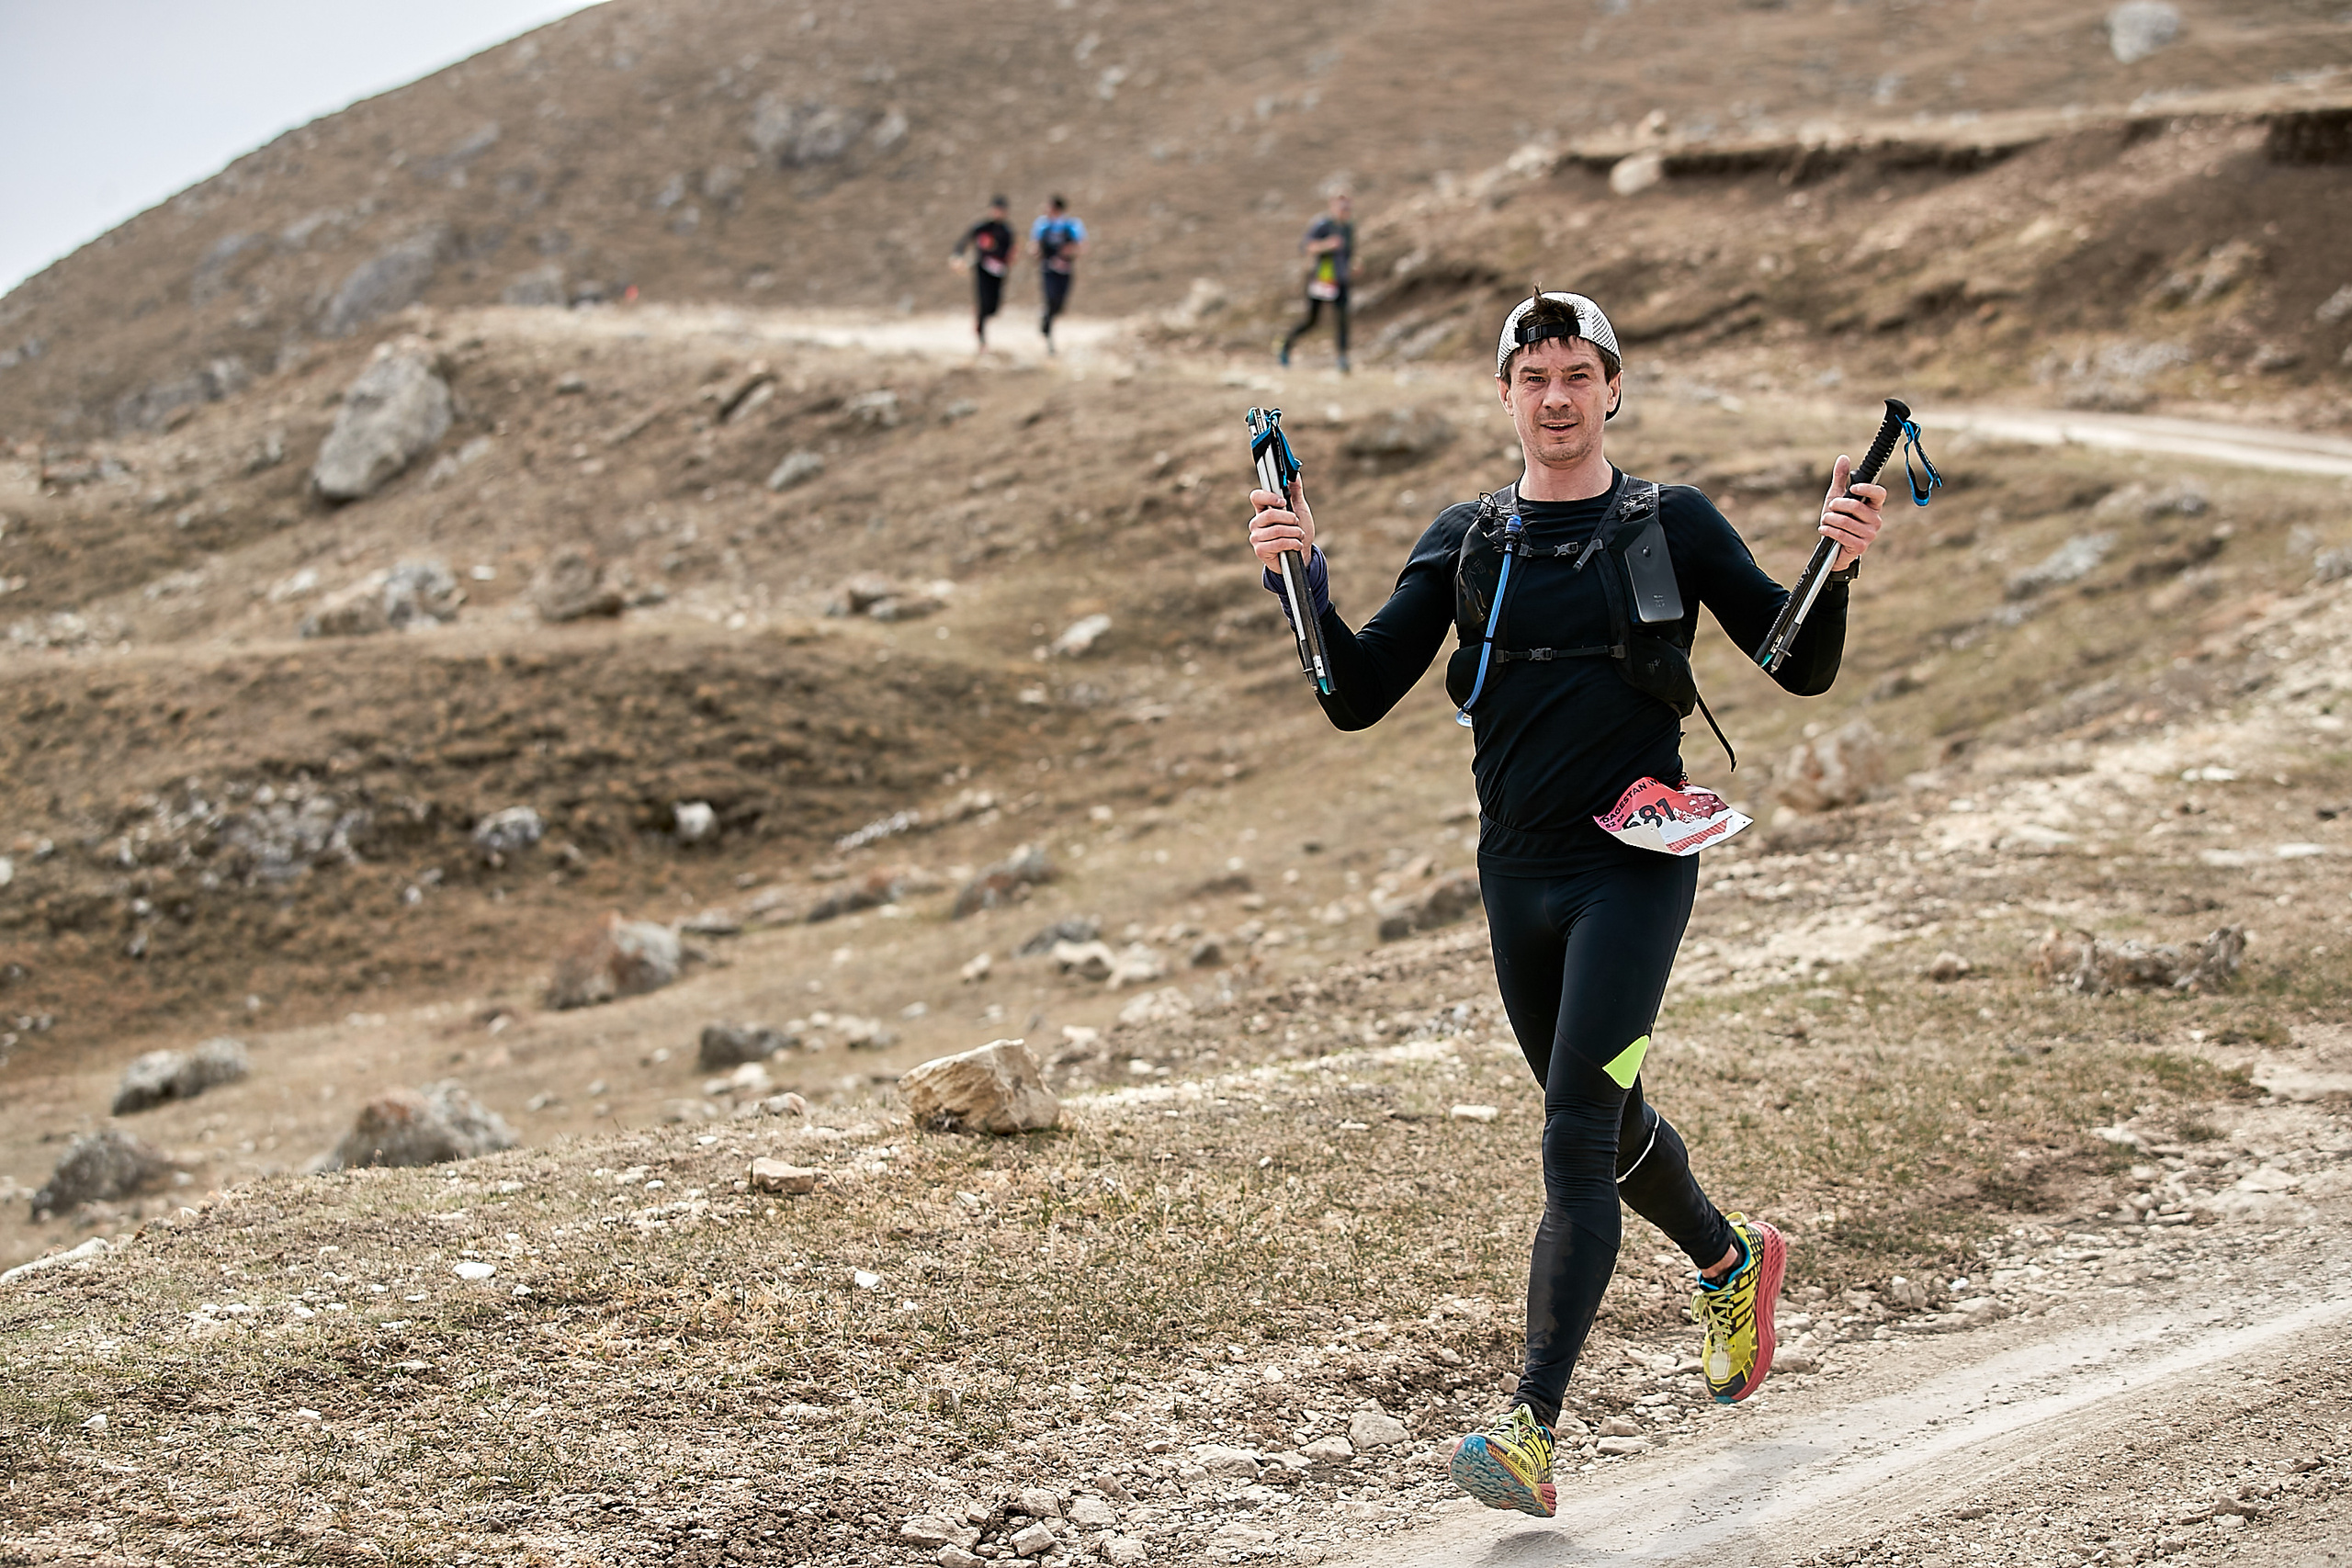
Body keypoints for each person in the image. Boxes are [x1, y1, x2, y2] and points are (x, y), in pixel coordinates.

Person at [1245, 291, 1886, 1519]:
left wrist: (1835, 566)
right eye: (1533, 375)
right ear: (1504, 394)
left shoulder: (1671, 522)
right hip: (1516, 871)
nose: (1556, 397)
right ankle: (1731, 1260)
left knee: (1572, 1138)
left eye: (1577, 373)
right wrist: (1300, 577)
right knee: (1598, 1111)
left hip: (1636, 861)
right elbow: (1354, 691)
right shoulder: (1467, 536)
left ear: (1613, 388)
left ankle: (1529, 1425)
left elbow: (1796, 661)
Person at [1278, 192, 1354, 372]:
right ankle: (1285, 345)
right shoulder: (1323, 225)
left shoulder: (1348, 228)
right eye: (1342, 207)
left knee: (1342, 319)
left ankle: (1342, 360)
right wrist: (1327, 245)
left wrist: (1354, 264)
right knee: (1312, 320)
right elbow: (1306, 247)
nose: (1345, 211)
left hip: (1341, 279)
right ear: (1332, 206)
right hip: (1322, 279)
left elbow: (1348, 253)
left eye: (1348, 208)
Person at [950, 196, 1017, 350]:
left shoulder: (1007, 230)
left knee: (994, 307)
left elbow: (1010, 251)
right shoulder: (982, 227)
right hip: (983, 269)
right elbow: (964, 240)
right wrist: (957, 256)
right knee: (983, 302)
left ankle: (981, 321)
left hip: (999, 271)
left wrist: (1010, 260)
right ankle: (981, 337)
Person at [1030, 196, 1087, 354]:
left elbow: (1081, 246)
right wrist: (1036, 252)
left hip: (1065, 270)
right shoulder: (1042, 225)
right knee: (1050, 299)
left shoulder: (1071, 225)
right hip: (1048, 269)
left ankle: (1047, 322)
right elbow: (1034, 245)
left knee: (1059, 305)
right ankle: (1047, 334)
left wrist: (1071, 251)